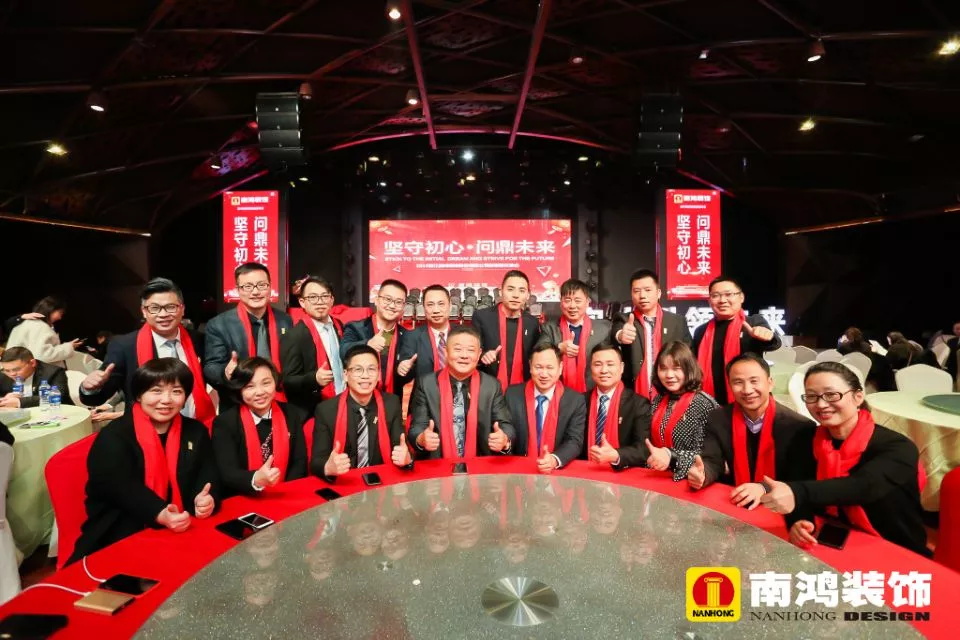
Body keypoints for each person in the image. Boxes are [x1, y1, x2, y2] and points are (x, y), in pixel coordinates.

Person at [759, 362, 930, 557]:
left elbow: (863, 486)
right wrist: (799, 521)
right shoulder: (805, 439)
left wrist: (795, 491)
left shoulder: (897, 447)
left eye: (831, 395)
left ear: (858, 397)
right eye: (812, 396)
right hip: (826, 540)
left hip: (895, 548)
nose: (821, 404)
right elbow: (797, 487)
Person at [70, 359, 220, 563]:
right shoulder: (114, 436)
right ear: (139, 395)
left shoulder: (195, 431)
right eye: (156, 391)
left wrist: (207, 499)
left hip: (184, 526)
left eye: (176, 391)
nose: (166, 400)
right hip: (121, 533)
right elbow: (119, 488)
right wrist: (160, 513)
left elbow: (209, 475)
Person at [80, 278, 215, 427]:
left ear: (182, 309)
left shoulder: (198, 340)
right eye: (154, 308)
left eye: (170, 307)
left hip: (194, 427)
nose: (163, 314)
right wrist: (89, 388)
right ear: (144, 311)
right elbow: (99, 396)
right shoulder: (124, 346)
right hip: (145, 430)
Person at [689, 353, 816, 511]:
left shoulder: (799, 426)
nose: (747, 390)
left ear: (770, 383)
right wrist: (703, 474)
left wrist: (763, 487)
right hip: (736, 499)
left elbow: (800, 480)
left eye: (754, 381)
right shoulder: (718, 418)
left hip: (782, 507)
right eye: (738, 382)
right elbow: (713, 461)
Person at [408, 325, 515, 459]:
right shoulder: (427, 384)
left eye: (471, 350)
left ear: (479, 354)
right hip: (438, 463)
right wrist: (421, 439)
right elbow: (417, 426)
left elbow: (505, 425)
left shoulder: (491, 385)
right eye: (457, 349)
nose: (464, 355)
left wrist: (504, 439)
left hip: (480, 464)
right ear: (446, 352)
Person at [212, 357, 308, 497]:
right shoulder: (225, 423)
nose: (260, 392)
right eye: (250, 386)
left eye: (266, 383)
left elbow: (299, 461)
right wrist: (255, 479)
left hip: (285, 494)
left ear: (275, 382)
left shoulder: (291, 413)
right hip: (243, 497)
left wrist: (284, 491)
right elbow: (227, 472)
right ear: (239, 389)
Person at [204, 263, 293, 411]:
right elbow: (211, 367)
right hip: (237, 404)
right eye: (248, 286)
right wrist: (225, 372)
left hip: (281, 402)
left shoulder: (285, 320)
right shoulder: (219, 324)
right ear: (238, 290)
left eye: (262, 285)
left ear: (270, 287)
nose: (256, 292)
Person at [311, 345, 409, 479]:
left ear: (378, 374)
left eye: (371, 369)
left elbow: (402, 449)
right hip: (345, 483)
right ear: (345, 375)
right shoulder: (326, 410)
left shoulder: (391, 404)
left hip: (382, 481)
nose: (365, 376)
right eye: (358, 370)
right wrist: (327, 467)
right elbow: (317, 461)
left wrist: (407, 459)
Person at [692, 276, 781, 405]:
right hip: (710, 400)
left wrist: (767, 336)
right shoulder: (701, 331)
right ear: (709, 301)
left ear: (741, 297)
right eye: (715, 296)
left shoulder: (753, 322)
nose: (722, 300)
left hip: (748, 396)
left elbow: (773, 343)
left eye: (728, 294)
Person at [505, 344, 586, 473]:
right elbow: (508, 431)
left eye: (549, 368)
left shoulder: (575, 401)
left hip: (556, 472)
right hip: (519, 470)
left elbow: (574, 441)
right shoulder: (512, 395)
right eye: (538, 367)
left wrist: (554, 459)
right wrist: (505, 441)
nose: (544, 374)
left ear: (560, 368)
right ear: (530, 366)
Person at [611, 269, 691, 398]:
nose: (642, 295)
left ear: (658, 293)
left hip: (672, 391)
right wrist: (621, 335)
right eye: (636, 291)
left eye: (648, 290)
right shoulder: (624, 319)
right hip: (635, 393)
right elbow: (615, 334)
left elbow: (689, 355)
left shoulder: (677, 322)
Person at [644, 342, 716, 481]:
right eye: (663, 369)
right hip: (656, 476)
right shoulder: (658, 400)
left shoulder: (704, 404)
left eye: (676, 368)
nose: (669, 375)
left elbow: (709, 456)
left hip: (690, 480)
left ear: (689, 369)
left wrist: (671, 456)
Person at [280, 276, 346, 415]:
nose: (319, 302)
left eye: (324, 296)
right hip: (315, 410)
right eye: (313, 297)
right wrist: (314, 379)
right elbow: (288, 381)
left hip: (345, 401)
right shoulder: (295, 336)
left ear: (332, 300)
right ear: (302, 302)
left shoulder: (339, 326)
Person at [339, 279, 414, 398]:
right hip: (359, 399)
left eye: (398, 302)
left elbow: (405, 377)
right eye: (387, 299)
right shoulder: (356, 327)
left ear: (403, 306)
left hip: (391, 402)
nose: (392, 306)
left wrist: (404, 371)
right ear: (377, 300)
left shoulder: (407, 336)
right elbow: (343, 351)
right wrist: (367, 344)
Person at [580, 342, 651, 470]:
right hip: (585, 473)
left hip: (622, 475)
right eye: (598, 364)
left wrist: (616, 455)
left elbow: (643, 449)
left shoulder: (638, 404)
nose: (604, 370)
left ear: (622, 367)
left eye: (610, 364)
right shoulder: (580, 401)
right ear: (591, 368)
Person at [537, 278, 613, 392]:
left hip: (593, 392)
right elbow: (538, 352)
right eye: (567, 300)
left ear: (587, 302)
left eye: (577, 300)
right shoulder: (550, 328)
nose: (572, 306)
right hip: (559, 392)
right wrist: (558, 348)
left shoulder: (604, 328)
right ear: (561, 302)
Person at [471, 270, 541, 389]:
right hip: (488, 387)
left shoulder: (532, 323)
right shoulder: (482, 317)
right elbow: (472, 349)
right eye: (510, 289)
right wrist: (483, 355)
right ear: (500, 291)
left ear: (528, 295)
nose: (516, 295)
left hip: (522, 389)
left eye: (522, 291)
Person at [5, 296, 82, 367]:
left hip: (16, 367)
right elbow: (43, 355)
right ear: (51, 309)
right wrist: (69, 347)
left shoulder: (28, 323)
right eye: (60, 313)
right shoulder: (39, 326)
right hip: (31, 371)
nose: (60, 317)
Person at [399, 284, 453, 380]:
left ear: (450, 306)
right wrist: (403, 369)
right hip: (423, 389)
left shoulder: (463, 334)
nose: (436, 310)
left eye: (441, 304)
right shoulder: (412, 336)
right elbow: (405, 376)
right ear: (423, 308)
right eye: (430, 305)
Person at [0, 346, 73, 408]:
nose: (12, 374)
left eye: (16, 369)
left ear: (32, 363)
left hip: (56, 413)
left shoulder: (53, 372)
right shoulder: (3, 374)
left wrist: (19, 402)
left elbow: (59, 397)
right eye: (7, 370)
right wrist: (3, 399)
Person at [836, 327, 895, 392]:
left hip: (849, 380)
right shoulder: (868, 348)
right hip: (870, 380)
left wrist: (841, 342)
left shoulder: (842, 349)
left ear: (846, 337)